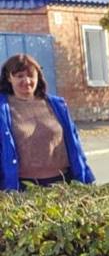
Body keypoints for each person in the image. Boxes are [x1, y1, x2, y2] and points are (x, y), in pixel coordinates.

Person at [0, 53, 94, 191]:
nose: (26, 81)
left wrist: (86, 179)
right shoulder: (2, 110)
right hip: (23, 188)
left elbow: (75, 145)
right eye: (20, 76)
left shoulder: (57, 105)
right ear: (9, 78)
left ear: (38, 77)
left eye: (31, 75)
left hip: (64, 184)